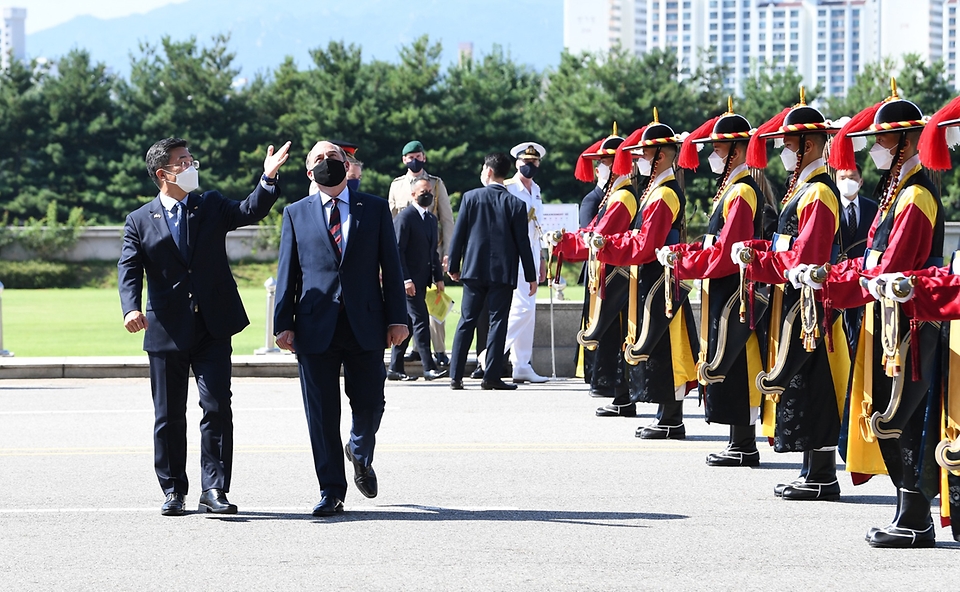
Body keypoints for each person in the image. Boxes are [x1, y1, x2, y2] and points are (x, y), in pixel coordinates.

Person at [799, 89, 945, 547]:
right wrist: (832, 276)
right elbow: (873, 260)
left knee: (904, 417)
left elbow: (891, 265)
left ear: (904, 142)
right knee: (891, 416)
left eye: (882, 141)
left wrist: (837, 281)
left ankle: (915, 518)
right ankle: (908, 514)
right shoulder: (897, 191)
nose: (875, 149)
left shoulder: (916, 194)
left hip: (908, 326)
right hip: (887, 319)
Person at [118, 136, 290, 516]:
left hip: (213, 326)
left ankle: (214, 489)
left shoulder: (209, 204)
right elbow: (128, 268)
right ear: (164, 173)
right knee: (168, 415)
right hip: (165, 330)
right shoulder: (139, 220)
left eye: (191, 157)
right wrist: (130, 308)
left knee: (216, 407)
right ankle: (173, 490)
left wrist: (268, 178)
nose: (192, 164)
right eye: (183, 160)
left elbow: (249, 210)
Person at [274, 140, 408, 517]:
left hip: (366, 323)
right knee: (321, 413)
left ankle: (359, 449)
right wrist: (283, 324)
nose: (327, 162)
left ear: (348, 165)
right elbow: (288, 273)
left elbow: (392, 268)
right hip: (314, 326)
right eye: (319, 158)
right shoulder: (295, 213)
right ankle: (331, 490)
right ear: (308, 171)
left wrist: (399, 318)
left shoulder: (376, 208)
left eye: (334, 157)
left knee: (371, 403)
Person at [731, 91, 850, 501]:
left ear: (809, 146)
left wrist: (761, 263)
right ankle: (811, 470)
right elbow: (787, 250)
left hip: (809, 304)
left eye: (788, 145)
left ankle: (821, 474)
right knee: (801, 382)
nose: (782, 151)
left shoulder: (818, 192)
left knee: (813, 383)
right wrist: (758, 253)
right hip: (794, 298)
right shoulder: (802, 188)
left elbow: (807, 256)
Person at [656, 102, 769, 461]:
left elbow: (727, 249)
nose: (713, 156)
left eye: (719, 149)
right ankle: (739, 441)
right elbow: (713, 243)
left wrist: (685, 264)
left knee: (738, 359)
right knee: (729, 359)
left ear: (736, 151)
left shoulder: (742, 190)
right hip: (723, 284)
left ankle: (744, 443)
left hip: (735, 286)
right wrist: (687, 254)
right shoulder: (732, 187)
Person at [594, 111, 699, 438]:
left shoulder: (664, 192)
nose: (638, 160)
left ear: (662, 156)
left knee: (667, 348)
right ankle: (666, 416)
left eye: (645, 155)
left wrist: (608, 247)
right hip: (654, 276)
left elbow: (645, 242)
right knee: (658, 347)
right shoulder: (656, 189)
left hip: (662, 280)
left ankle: (671, 419)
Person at [553, 129, 635, 407]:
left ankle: (613, 386)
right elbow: (591, 232)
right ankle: (610, 386)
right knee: (607, 329)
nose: (600, 167)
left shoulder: (622, 196)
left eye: (604, 162)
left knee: (614, 330)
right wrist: (564, 242)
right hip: (605, 271)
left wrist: (572, 243)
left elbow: (598, 234)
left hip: (615, 272)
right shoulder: (611, 196)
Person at [447, 152, 538, 391]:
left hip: (474, 269)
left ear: (488, 171)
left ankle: (455, 376)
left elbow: (459, 235)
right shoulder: (516, 204)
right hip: (503, 272)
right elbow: (523, 243)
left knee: (467, 320)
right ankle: (491, 376)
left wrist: (453, 266)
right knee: (498, 322)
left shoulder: (470, 197)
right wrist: (531, 276)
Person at [389, 140, 455, 368]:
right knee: (412, 313)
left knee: (434, 308)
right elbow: (391, 221)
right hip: (406, 256)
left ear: (424, 157)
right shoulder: (397, 185)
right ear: (403, 160)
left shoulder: (436, 184)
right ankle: (414, 357)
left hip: (431, 253)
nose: (413, 160)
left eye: (417, 155)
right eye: (409, 157)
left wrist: (448, 252)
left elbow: (447, 219)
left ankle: (438, 351)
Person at [501, 142, 550, 383]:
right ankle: (493, 351)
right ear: (517, 163)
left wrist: (540, 259)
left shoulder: (537, 190)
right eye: (525, 163)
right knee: (523, 307)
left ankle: (521, 364)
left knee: (530, 310)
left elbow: (537, 229)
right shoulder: (509, 188)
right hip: (514, 252)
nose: (529, 166)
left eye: (533, 163)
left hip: (531, 252)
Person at [835, 164, 879, 349]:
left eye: (852, 178)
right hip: (837, 277)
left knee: (861, 332)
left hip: (863, 278)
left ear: (860, 182)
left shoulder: (873, 208)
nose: (847, 182)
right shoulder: (831, 206)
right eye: (842, 178)